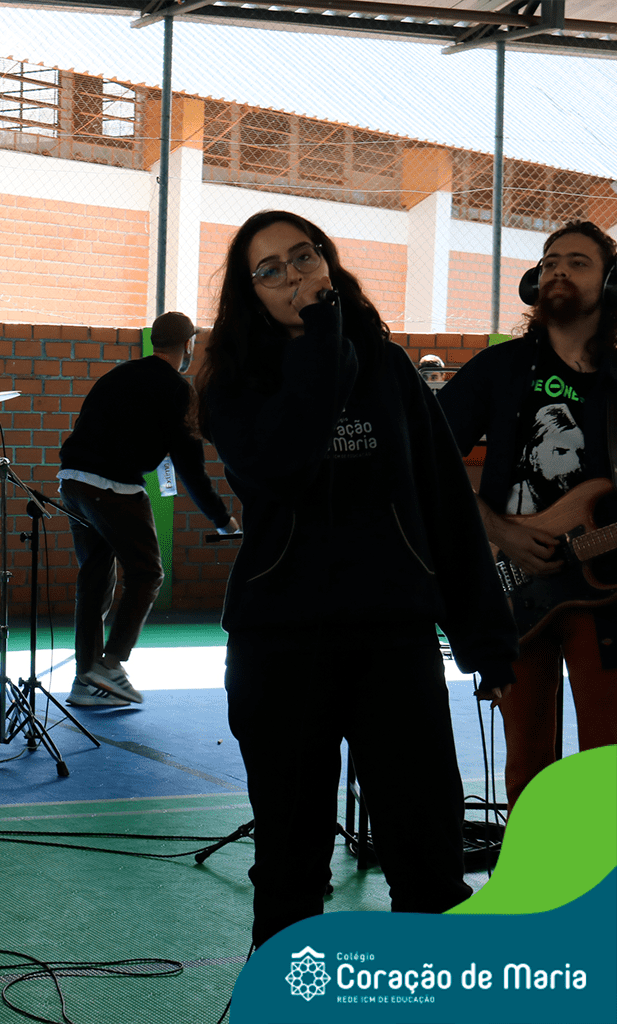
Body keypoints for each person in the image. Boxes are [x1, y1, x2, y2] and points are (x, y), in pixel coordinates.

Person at [195, 209, 517, 950]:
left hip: (392, 643)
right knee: (290, 867)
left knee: (430, 862)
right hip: (281, 649)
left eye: (304, 257)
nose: (293, 276)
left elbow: (444, 503)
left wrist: (486, 640)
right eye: (270, 270)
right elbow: (284, 465)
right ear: (250, 294)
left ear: (329, 263)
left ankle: (433, 993)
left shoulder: (389, 369)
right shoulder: (234, 382)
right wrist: (321, 343)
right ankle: (282, 995)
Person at [437, 219, 617, 813]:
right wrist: (500, 532)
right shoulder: (501, 368)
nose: (559, 270)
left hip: (607, 593)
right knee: (528, 766)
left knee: (608, 760)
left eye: (578, 262)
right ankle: (531, 869)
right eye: (550, 261)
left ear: (611, 284)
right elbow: (426, 459)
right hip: (510, 588)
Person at [58, 310, 239, 708]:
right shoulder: (176, 390)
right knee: (147, 572)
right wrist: (222, 519)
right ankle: (109, 665)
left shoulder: (117, 375)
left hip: (73, 481)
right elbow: (191, 467)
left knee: (95, 578)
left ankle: (85, 682)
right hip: (112, 487)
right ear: (189, 345)